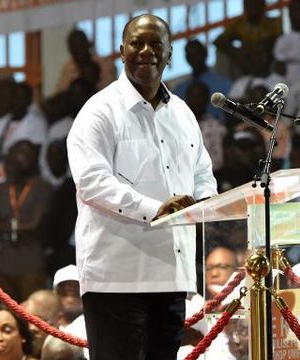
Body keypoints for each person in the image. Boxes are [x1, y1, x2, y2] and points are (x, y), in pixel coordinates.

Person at [66, 14, 217, 360]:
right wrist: (156, 209)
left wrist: (207, 205)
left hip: (173, 274)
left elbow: (203, 173)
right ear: (122, 51)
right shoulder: (99, 111)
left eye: (156, 44)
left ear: (169, 54)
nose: (146, 51)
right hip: (117, 277)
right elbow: (91, 181)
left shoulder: (182, 112)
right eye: (137, 43)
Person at [0, 141, 53, 302]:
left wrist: (4, 225)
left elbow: (35, 225)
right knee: (3, 312)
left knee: (32, 316)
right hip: (4, 262)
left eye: (24, 156)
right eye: (14, 156)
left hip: (31, 263)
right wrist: (15, 226)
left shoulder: (42, 188)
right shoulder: (1, 189)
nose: (18, 161)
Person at [172, 39, 232, 119]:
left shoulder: (224, 84)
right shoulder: (179, 90)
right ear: (186, 58)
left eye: (197, 54)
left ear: (205, 53)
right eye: (190, 55)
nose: (194, 58)